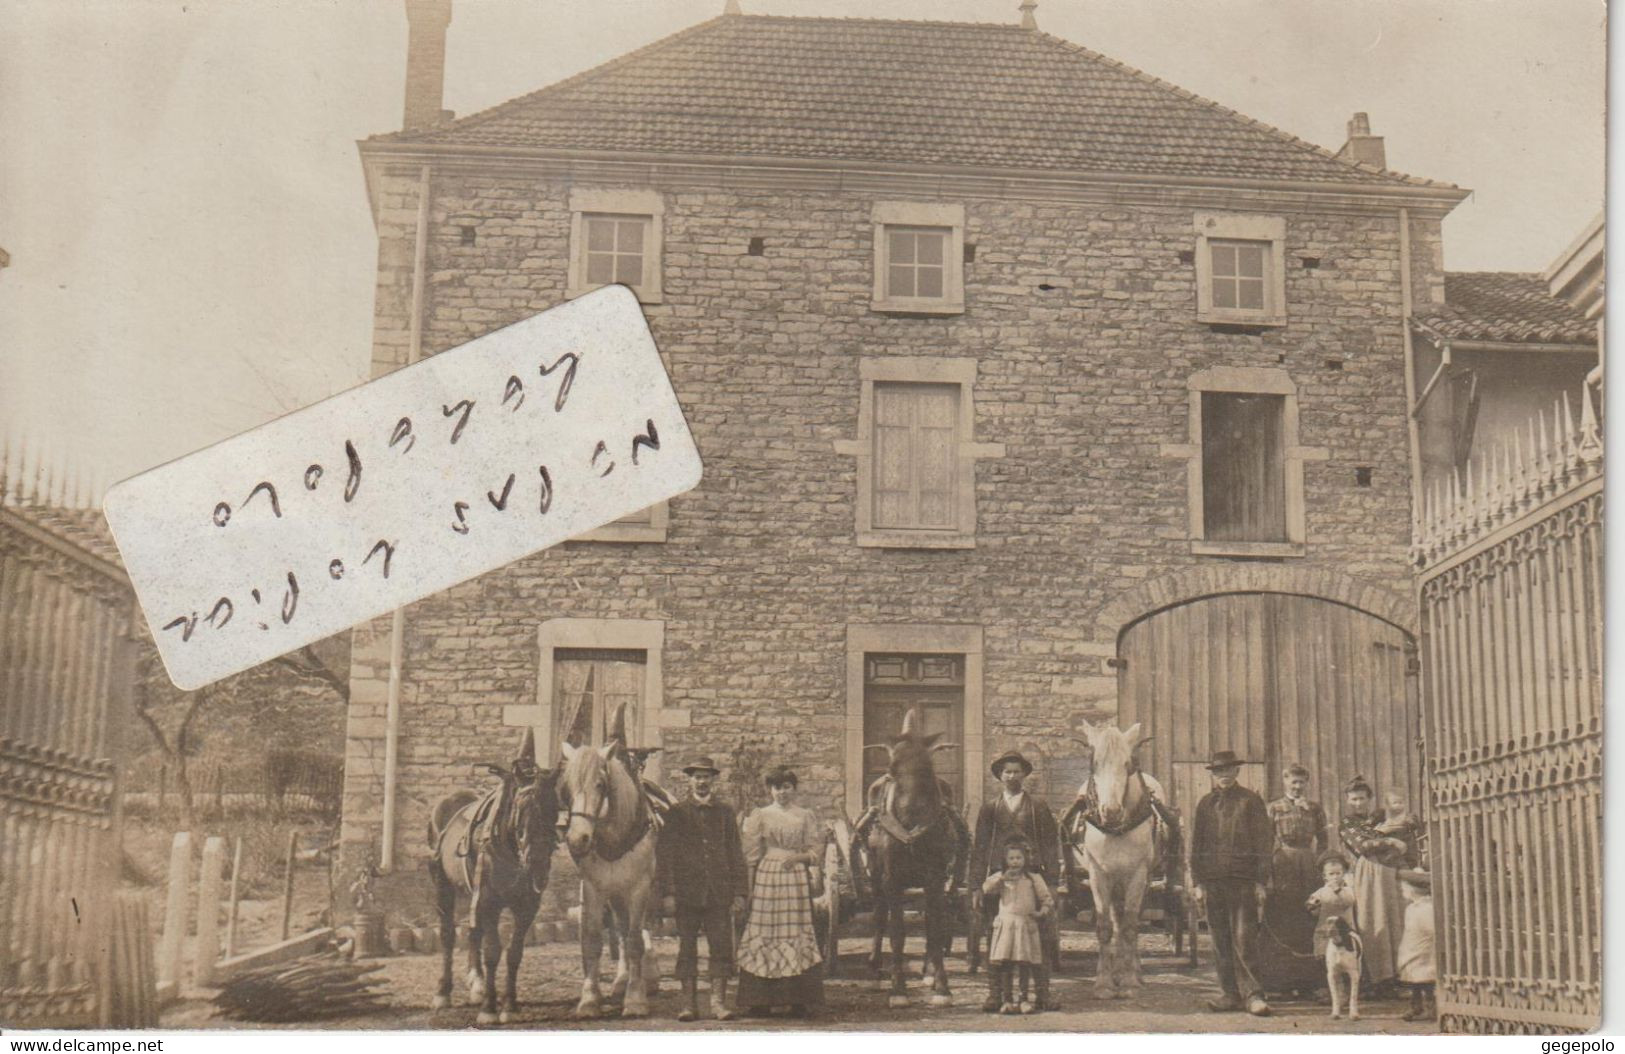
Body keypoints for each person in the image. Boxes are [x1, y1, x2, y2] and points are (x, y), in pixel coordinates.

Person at [657, 755, 749, 1022]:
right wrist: (669, 892)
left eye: (706, 777)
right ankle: (688, 1004)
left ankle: (718, 1003)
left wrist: (740, 892)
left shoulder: (725, 813)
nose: (701, 781)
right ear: (690, 780)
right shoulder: (676, 814)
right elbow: (667, 855)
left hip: (719, 893)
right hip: (687, 894)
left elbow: (735, 853)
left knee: (720, 947)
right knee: (687, 947)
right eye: (697, 777)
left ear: (713, 780)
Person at [971, 750, 1062, 1005]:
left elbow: (1050, 844)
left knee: (1039, 936)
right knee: (996, 936)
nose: (1012, 776)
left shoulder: (1037, 807)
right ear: (1000, 776)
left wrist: (1052, 881)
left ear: (1024, 775)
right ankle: (995, 995)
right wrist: (977, 884)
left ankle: (1042, 994)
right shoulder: (990, 808)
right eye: (1007, 772)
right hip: (999, 881)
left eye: (1016, 771)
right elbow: (980, 846)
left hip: (1031, 879)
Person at [736, 766, 828, 1018]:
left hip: (795, 879)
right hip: (767, 877)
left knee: (795, 930)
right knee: (764, 929)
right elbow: (752, 856)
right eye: (777, 787)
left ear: (794, 788)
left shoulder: (804, 815)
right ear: (770, 790)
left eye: (787, 787)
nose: (782, 792)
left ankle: (797, 999)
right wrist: (751, 889)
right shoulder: (761, 815)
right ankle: (760, 1000)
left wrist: (798, 857)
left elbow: (815, 851)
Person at [1189, 749, 1275, 1016]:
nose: (1223, 775)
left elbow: (1264, 843)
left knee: (1244, 938)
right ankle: (1230, 994)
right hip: (1212, 881)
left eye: (1228, 770)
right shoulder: (1205, 804)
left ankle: (1254, 995)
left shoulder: (1250, 801)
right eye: (1218, 771)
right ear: (1213, 774)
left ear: (1237, 771)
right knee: (1219, 940)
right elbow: (1197, 845)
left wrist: (1260, 881)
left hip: (1242, 881)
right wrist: (1197, 882)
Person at [1259, 763, 1329, 993]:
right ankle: (1281, 982)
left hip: (1308, 863)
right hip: (1283, 863)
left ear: (1307, 783)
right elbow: (1266, 841)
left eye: (1301, 782)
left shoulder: (1314, 808)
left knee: (1307, 917)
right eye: (1293, 782)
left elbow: (1323, 839)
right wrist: (1267, 874)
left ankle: (1308, 982)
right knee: (1282, 917)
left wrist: (1321, 867)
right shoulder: (1274, 807)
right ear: (1285, 782)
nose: (1297, 787)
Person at [1338, 775, 1414, 990]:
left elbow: (1408, 827)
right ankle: (1377, 979)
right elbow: (1362, 845)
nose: (1358, 803)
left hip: (1389, 871)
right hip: (1368, 873)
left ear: (1369, 799)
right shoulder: (1348, 823)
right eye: (1353, 799)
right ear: (1347, 800)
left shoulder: (1380, 817)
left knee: (1395, 919)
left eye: (1362, 798)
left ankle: (1399, 975)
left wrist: (1397, 835)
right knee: (1373, 920)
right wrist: (1390, 840)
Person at [981, 837, 1056, 1015]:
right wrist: (1001, 879)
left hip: (1025, 924)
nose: (1015, 862)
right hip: (1007, 925)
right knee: (1006, 963)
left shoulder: (1033, 878)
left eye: (1019, 858)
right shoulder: (1000, 878)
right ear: (1005, 861)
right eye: (1011, 858)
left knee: (1024, 963)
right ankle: (1007, 1000)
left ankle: (1023, 999)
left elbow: (1047, 899)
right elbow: (986, 888)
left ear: (1025, 860)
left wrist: (1041, 912)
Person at [1395, 869, 1436, 1022]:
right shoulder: (1411, 908)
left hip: (1423, 951)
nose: (1402, 891)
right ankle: (1416, 1006)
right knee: (1414, 982)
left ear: (1413, 890)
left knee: (1425, 981)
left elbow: (1431, 930)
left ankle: (1430, 1007)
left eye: (1404, 888)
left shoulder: (1426, 908)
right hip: (1412, 950)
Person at [1306, 852, 1357, 957]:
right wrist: (1312, 906)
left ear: (1343, 874)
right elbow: (1313, 908)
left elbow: (1348, 901)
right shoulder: (1321, 891)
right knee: (1325, 953)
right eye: (1331, 874)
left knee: (1345, 955)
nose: (1335, 877)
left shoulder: (1347, 890)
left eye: (1338, 873)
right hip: (1325, 929)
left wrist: (1337, 889)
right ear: (1325, 877)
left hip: (1345, 929)